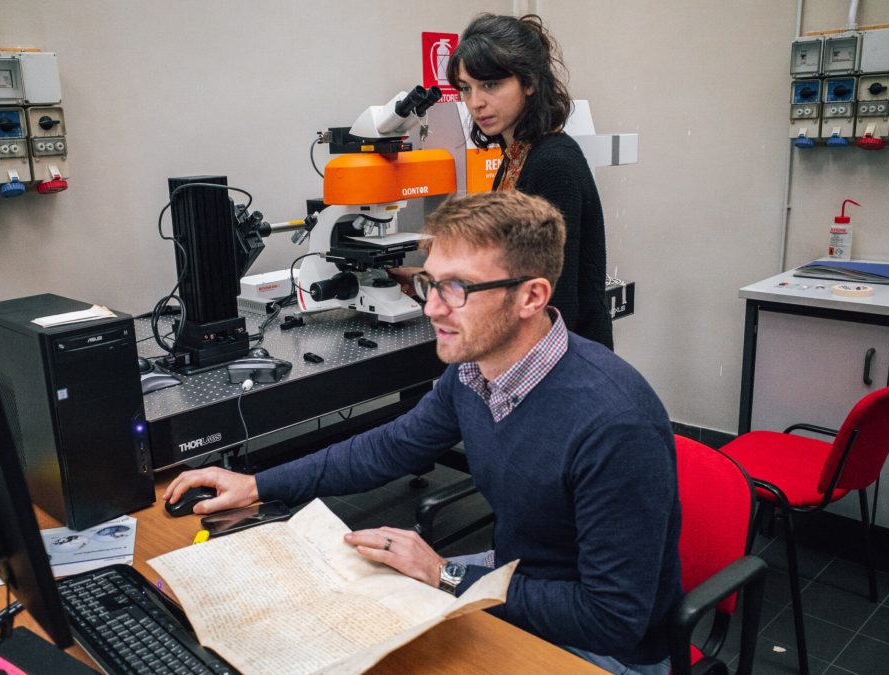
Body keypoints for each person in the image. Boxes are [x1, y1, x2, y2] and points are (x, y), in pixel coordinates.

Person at [165, 190, 682, 673]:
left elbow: (612, 620)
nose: (432, 307)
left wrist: (443, 575)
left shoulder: (614, 425)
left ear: (531, 297)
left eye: (456, 288)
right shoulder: (473, 372)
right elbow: (389, 447)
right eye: (430, 284)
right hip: (517, 578)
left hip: (604, 650)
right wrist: (257, 485)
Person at [395, 13, 614, 350]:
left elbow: (555, 299)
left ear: (529, 82)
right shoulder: (517, 154)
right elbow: (513, 268)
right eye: (466, 88)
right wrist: (435, 283)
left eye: (491, 85)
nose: (475, 102)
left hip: (563, 361)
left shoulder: (554, 163)